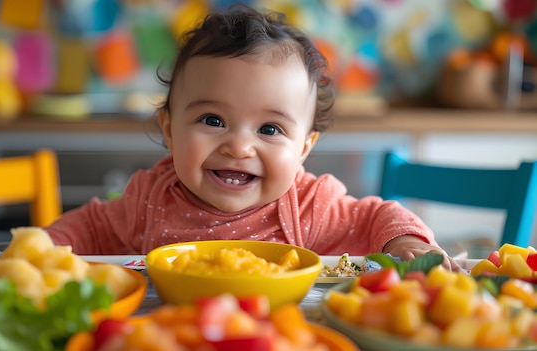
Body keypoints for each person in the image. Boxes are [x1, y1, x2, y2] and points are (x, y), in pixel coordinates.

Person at [47, 5, 458, 270]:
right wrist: (46, 246)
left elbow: (376, 216)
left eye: (269, 129)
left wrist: (406, 241)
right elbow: (89, 225)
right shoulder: (149, 199)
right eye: (212, 120)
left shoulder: (309, 205)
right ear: (169, 129)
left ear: (303, 149)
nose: (239, 147)